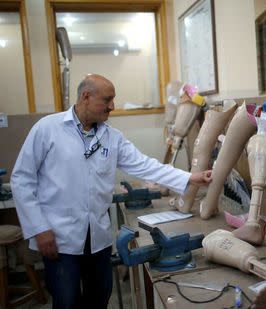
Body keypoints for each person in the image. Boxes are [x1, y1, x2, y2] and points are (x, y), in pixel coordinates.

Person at [10, 74, 212, 308]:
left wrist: (190, 177)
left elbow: (145, 165)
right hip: (59, 238)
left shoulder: (111, 137)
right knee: (66, 302)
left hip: (98, 239)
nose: (112, 106)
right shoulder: (47, 129)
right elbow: (21, 179)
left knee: (99, 298)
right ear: (86, 97)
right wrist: (39, 228)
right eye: (107, 99)